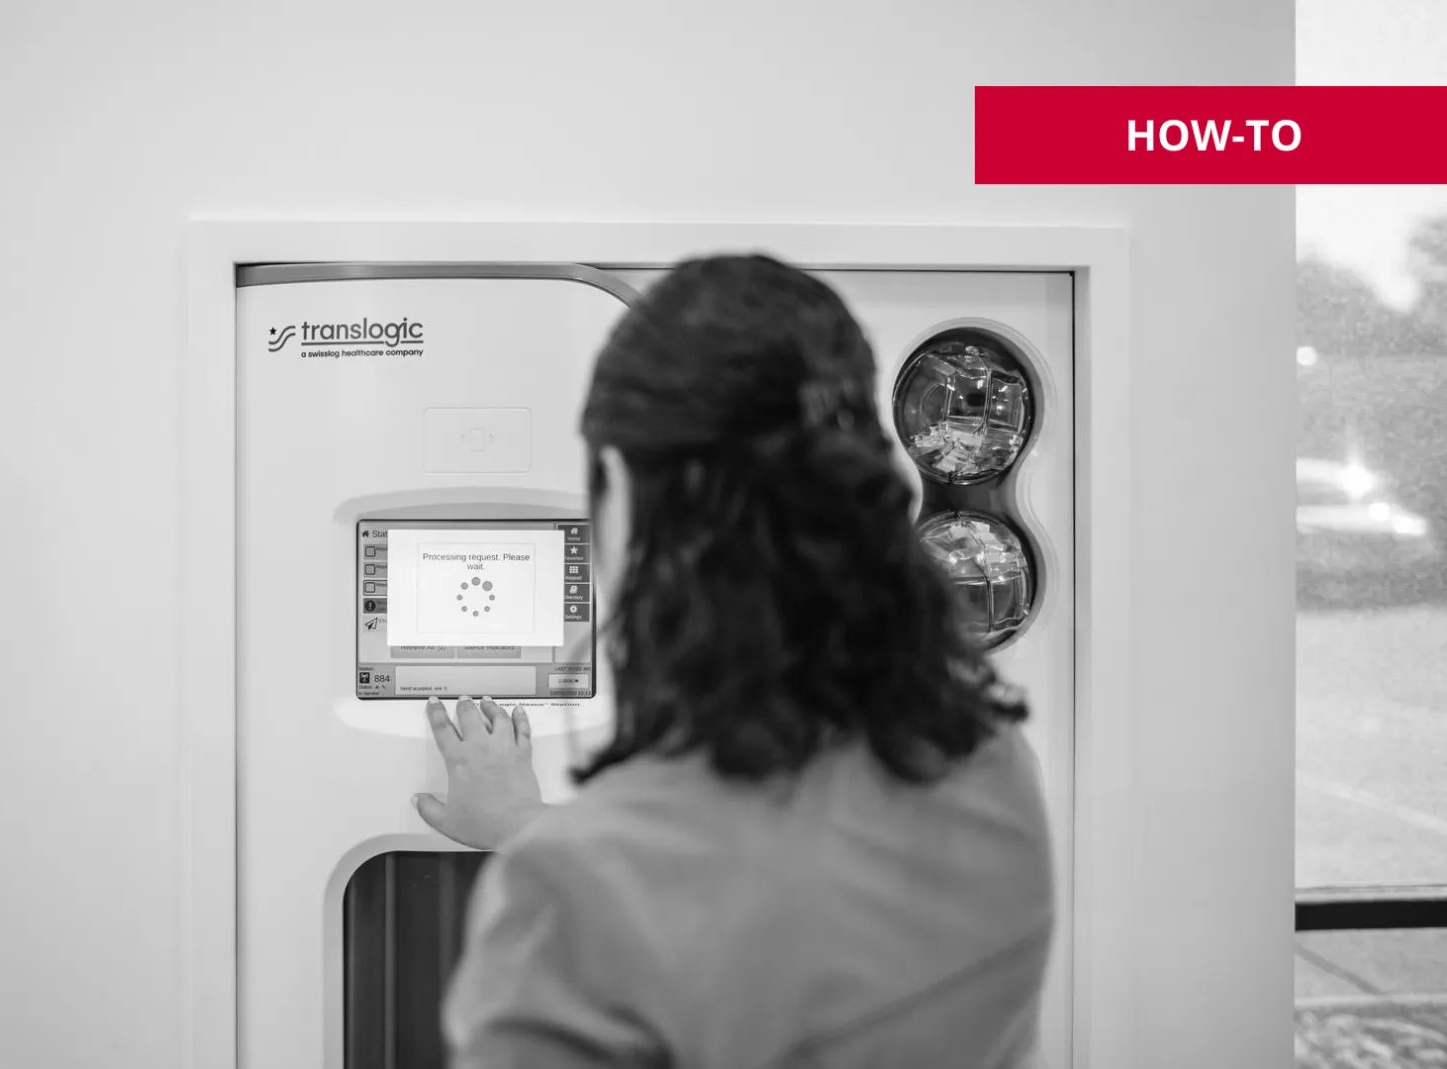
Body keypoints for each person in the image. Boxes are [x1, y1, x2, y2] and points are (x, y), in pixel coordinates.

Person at [412, 255, 1055, 1069]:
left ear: (616, 485)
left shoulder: (575, 899)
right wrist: (529, 829)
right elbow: (776, 897)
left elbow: (694, 895)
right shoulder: (994, 769)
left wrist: (530, 840)